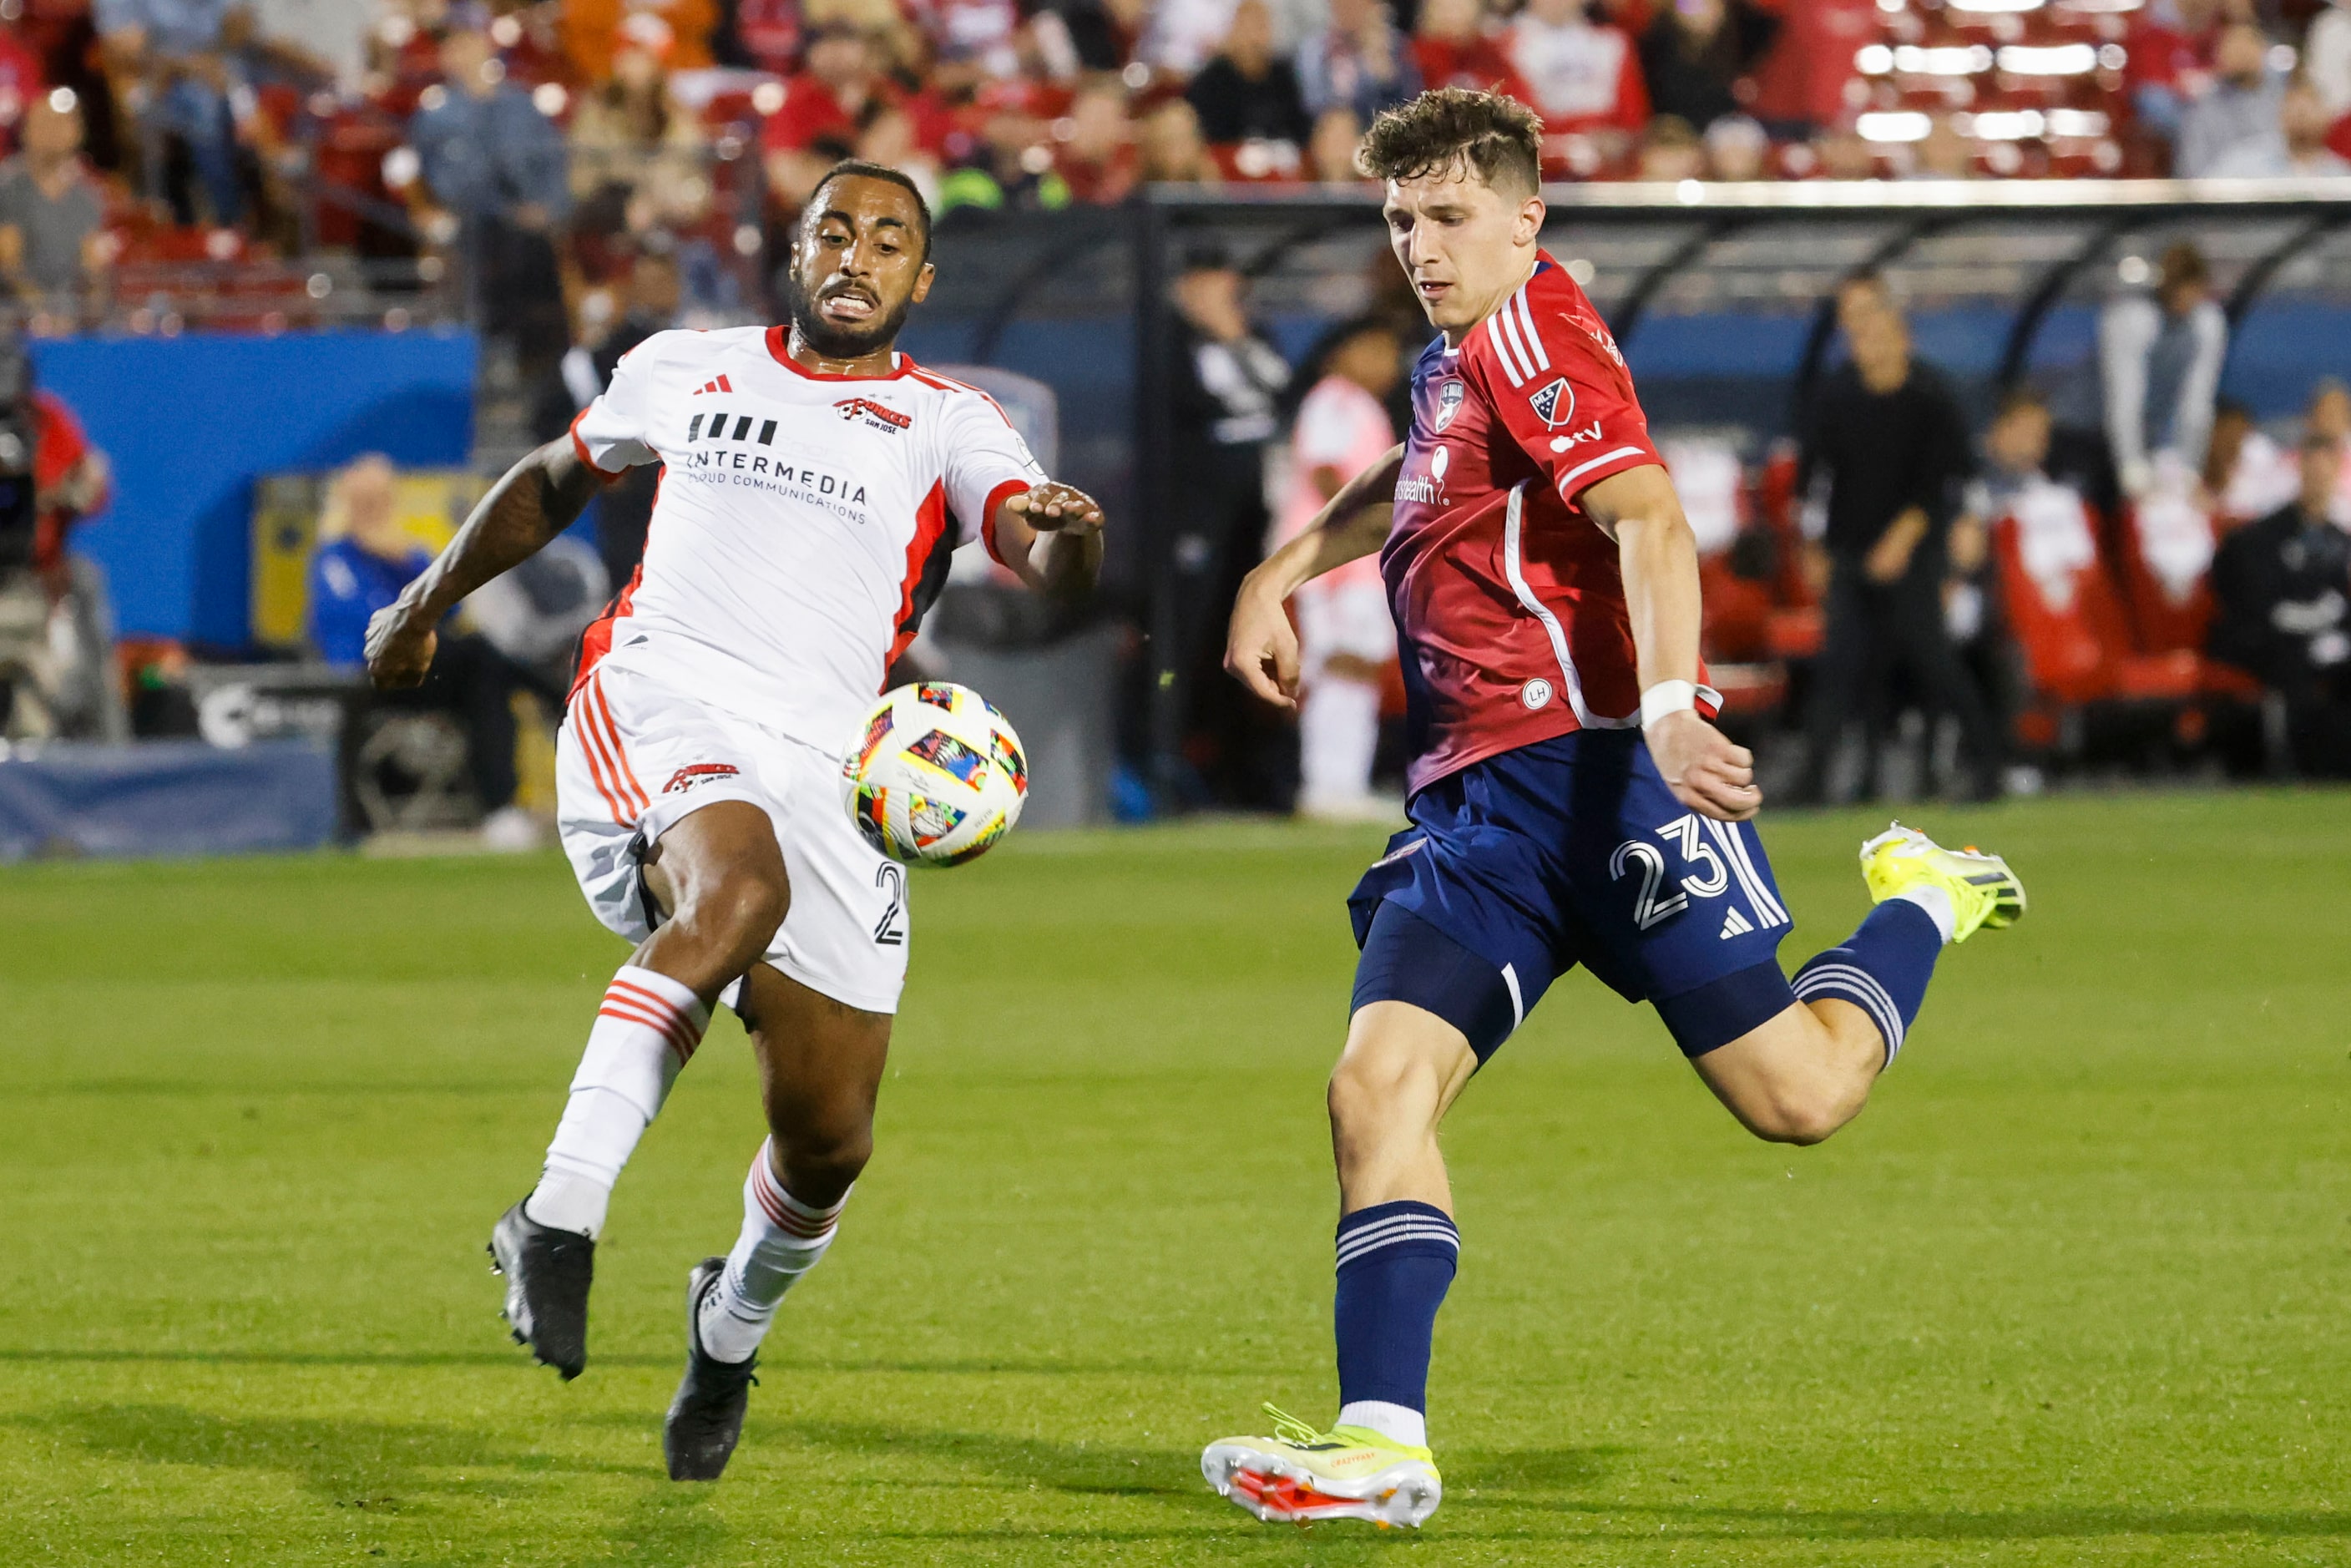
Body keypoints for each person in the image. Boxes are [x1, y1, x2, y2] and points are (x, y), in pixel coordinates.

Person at [1203, 87, 2025, 1530]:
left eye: (1450, 216)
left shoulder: (1536, 330)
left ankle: (1925, 893)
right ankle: (1383, 1440)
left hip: (1606, 773)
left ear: (1528, 218)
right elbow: (1421, 488)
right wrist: (1281, 571)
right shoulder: (1459, 352)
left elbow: (1647, 515)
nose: (1421, 245)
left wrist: (1664, 704)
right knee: (1371, 1086)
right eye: (1401, 220)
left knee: (1801, 1097)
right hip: (1479, 806)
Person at [362, 160, 1105, 1484]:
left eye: (889, 241)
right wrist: (424, 599)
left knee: (830, 1136)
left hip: (837, 765)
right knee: (734, 897)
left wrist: (1070, 536)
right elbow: (554, 473)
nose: (858, 255)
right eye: (837, 229)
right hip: (662, 691)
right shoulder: (686, 366)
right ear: (796, 250)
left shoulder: (949, 418)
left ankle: (729, 1324)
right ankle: (556, 1211)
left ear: (919, 281)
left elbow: (1037, 558)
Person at [1789, 276, 2004, 803]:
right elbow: (1812, 481)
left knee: (1935, 661)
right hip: (1849, 550)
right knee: (1839, 668)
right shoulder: (1836, 396)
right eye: (1861, 338)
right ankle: (1814, 784)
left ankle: (1992, 768)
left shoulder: (1930, 397)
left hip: (1915, 554)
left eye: (1879, 336)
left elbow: (1945, 481)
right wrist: (1812, 546)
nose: (1869, 348)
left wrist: (1905, 542)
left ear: (1902, 338)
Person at [310, 454, 542, 850]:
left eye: (381, 499)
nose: (374, 509)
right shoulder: (334, 559)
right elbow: (368, 622)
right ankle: (553, 691)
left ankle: (501, 807)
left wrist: (401, 560)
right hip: (368, 679)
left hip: (420, 671)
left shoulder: (403, 553)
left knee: (486, 675)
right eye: (366, 500)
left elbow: (451, 601)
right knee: (484, 657)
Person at [1168, 238, 1290, 803]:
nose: (1223, 292)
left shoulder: (1255, 336)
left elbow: (1285, 389)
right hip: (1194, 515)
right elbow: (1176, 409)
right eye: (1209, 279)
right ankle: (1170, 761)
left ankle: (1250, 768)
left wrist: (1235, 336)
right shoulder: (1168, 342)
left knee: (1255, 637)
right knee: (1187, 636)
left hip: (1257, 515)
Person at [1279, 316, 1401, 818]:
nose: (1386, 364)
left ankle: (1342, 783)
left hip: (1362, 563)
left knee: (1358, 668)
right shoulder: (1333, 399)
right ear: (1340, 354)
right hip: (1333, 563)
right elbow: (1326, 469)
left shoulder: (1365, 406)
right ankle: (1327, 784)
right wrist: (1362, 518)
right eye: (1374, 350)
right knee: (1336, 666)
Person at [407, 26, 573, 380]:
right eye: (455, 47)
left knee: (537, 256)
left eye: (471, 44)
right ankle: (493, 358)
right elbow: (432, 180)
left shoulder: (522, 105)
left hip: (533, 228)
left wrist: (548, 209)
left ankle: (547, 368)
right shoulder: (436, 115)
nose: (465, 55)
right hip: (475, 224)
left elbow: (553, 164)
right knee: (495, 246)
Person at [2207, 427, 2351, 776]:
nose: (2318, 479)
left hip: (2327, 640)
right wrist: (2315, 622)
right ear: (2299, 471)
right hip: (2272, 641)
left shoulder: (2340, 540)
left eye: (2325, 470)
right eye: (2311, 469)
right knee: (2295, 669)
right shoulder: (2264, 535)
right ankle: (2299, 766)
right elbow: (2257, 602)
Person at [2096, 240, 2227, 504]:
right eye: (2177, 287)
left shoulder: (2207, 324)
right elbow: (2124, 401)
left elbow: (2196, 404)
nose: (2185, 298)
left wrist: (2190, 469)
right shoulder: (2130, 318)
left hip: (2145, 438)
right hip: (2086, 434)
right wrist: (2131, 469)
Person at [0, 90, 109, 318]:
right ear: (26, 130)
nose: (55, 130)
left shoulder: (87, 197)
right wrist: (42, 313)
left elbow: (91, 268)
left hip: (68, 320)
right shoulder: (8, 187)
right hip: (13, 321)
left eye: (64, 122)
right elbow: (9, 263)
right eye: (46, 122)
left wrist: (93, 313)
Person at [1636, 0, 1777, 134]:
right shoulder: (1663, 30)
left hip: (1722, 122)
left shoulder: (1739, 18)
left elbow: (1767, 25)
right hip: (1673, 122)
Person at [1186, 0, 1312, 148]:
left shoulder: (1282, 75)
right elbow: (1206, 134)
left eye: (1260, 27)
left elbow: (1299, 127)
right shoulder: (1212, 79)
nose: (1253, 37)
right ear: (1233, 30)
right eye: (1246, 27)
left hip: (1281, 158)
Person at [2175, 21, 2284, 178]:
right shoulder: (2202, 109)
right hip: (2222, 195)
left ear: (2263, 51)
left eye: (2248, 44)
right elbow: (2194, 172)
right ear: (2220, 55)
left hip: (2275, 192)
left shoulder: (2283, 102)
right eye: (2233, 46)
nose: (2241, 53)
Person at [1297, 0, 1420, 132]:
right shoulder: (1314, 50)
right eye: (1342, 4)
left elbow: (1409, 103)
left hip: (1381, 132)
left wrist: (1385, 77)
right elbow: (1312, 104)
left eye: (1356, 4)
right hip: (1331, 133)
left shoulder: (1396, 46)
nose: (1349, 10)